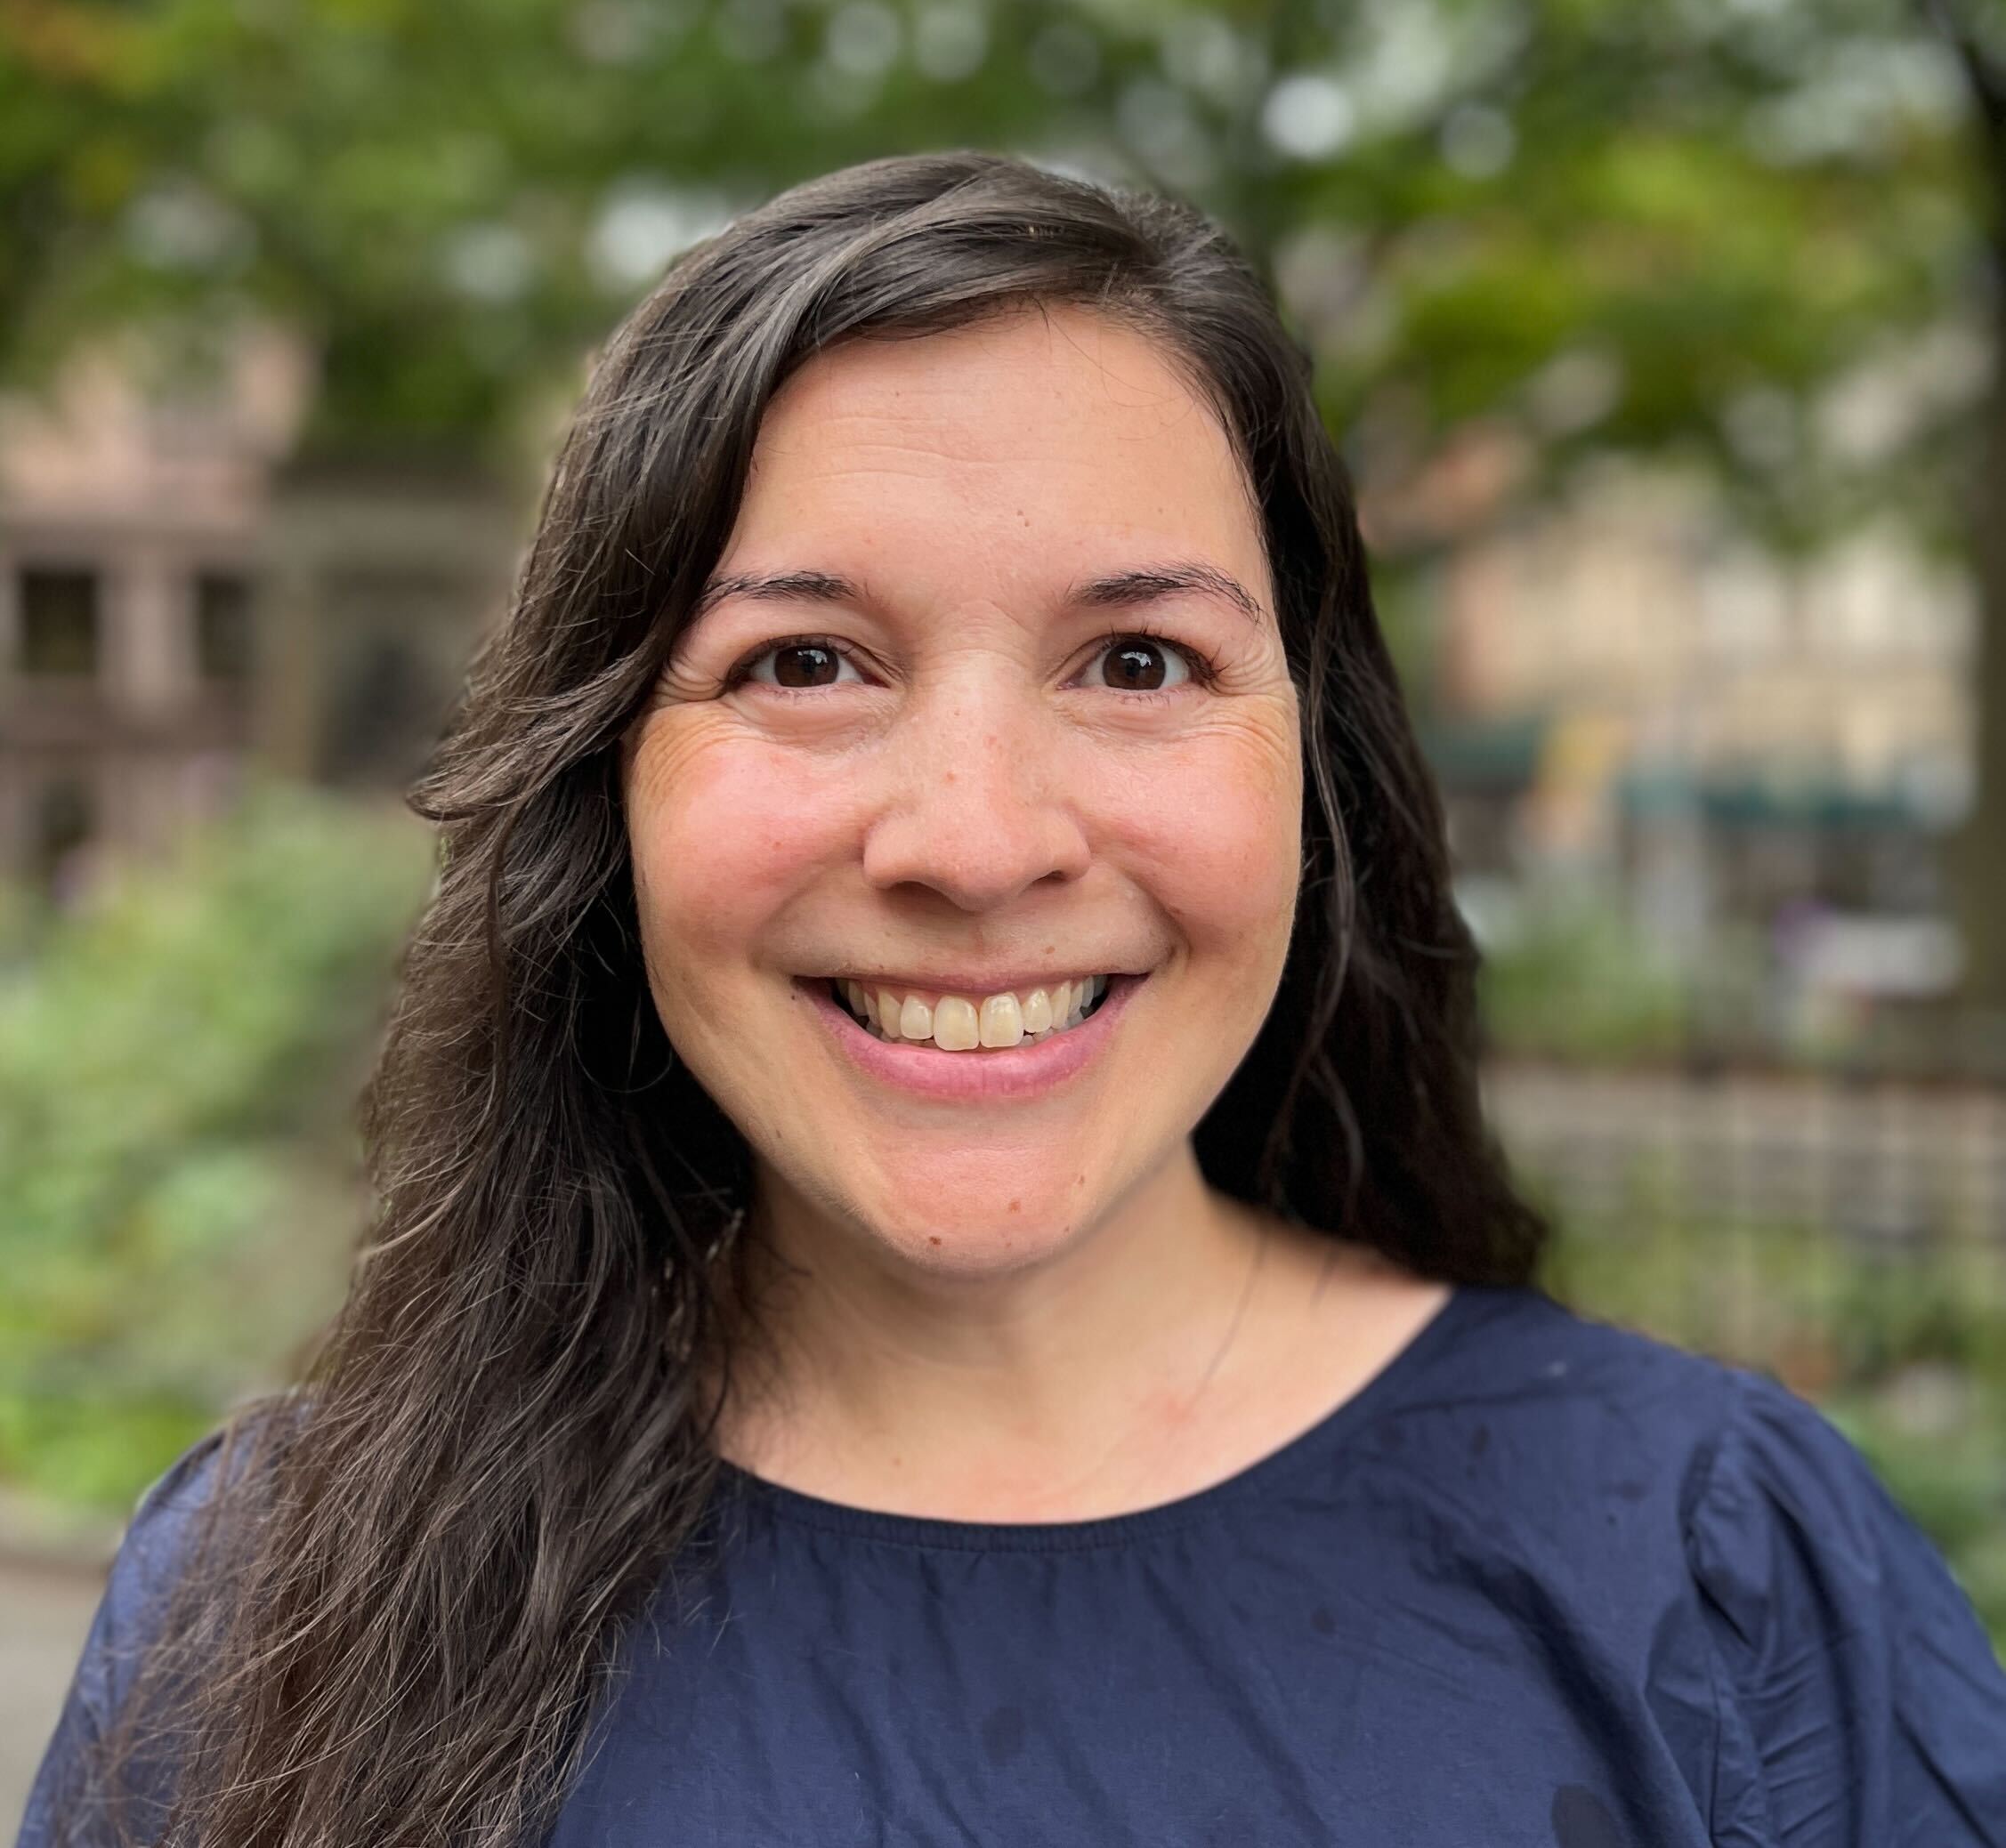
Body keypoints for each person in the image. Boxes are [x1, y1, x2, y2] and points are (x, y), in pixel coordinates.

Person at [21, 150, 2006, 1848]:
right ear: (600, 783)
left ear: (1308, 771)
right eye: (805, 663)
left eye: (1135, 663)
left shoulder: (1718, 1572)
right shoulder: (280, 1601)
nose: (972, 840)